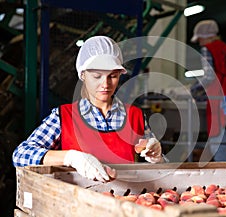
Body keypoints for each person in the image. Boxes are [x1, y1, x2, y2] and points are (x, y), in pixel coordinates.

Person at [12, 36, 165, 182]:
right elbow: (20, 155)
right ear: (83, 75)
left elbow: (160, 172)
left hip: (123, 204)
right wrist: (71, 158)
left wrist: (158, 158)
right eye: (97, 76)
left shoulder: (135, 116)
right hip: (78, 203)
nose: (105, 84)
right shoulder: (64, 116)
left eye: (112, 76)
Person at [190, 19, 226, 161]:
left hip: (218, 97)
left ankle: (223, 181)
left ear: (206, 36)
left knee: (218, 142)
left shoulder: (207, 49)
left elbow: (209, 76)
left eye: (200, 39)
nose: (199, 43)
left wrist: (193, 90)